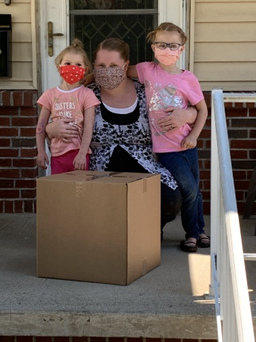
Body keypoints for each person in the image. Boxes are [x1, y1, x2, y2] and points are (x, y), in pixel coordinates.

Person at [46, 37, 197, 242]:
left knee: (170, 197)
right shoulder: (85, 94)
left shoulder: (147, 90)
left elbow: (187, 106)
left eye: (114, 65)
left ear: (126, 66)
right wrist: (50, 128)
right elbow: (58, 115)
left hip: (145, 164)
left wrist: (188, 115)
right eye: (101, 65)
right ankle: (113, 234)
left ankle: (148, 228)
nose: (107, 71)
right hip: (99, 168)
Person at [127, 22, 209, 252]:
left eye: (172, 45)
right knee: (189, 189)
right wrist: (92, 74)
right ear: (154, 47)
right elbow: (120, 70)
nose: (167, 49)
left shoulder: (188, 79)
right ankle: (192, 233)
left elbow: (202, 109)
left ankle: (199, 231)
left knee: (196, 189)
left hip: (187, 144)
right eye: (162, 44)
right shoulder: (146, 70)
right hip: (166, 148)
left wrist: (194, 135)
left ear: (181, 49)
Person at [36, 39, 100, 174]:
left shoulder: (87, 94)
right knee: (60, 191)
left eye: (78, 64)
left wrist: (82, 153)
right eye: (67, 63)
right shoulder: (49, 95)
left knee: (80, 191)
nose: (73, 67)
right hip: (57, 154)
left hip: (79, 154)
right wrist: (41, 152)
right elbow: (41, 125)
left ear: (85, 69)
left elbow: (89, 127)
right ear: (59, 67)